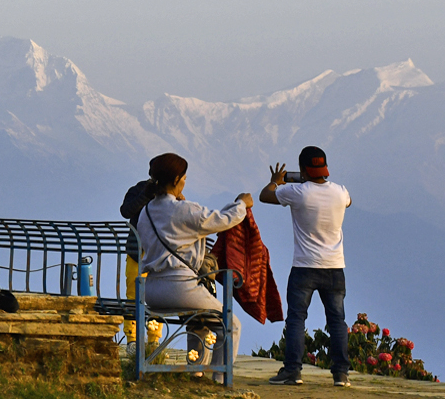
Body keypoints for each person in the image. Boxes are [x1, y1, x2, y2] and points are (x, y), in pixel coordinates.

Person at [137, 153, 250, 384]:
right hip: (180, 288)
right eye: (184, 179)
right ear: (177, 179)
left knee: (198, 321)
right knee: (231, 324)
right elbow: (221, 219)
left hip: (151, 291)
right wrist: (241, 204)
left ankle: (195, 369)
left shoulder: (145, 212)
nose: (185, 183)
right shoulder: (184, 209)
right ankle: (220, 377)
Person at [261, 146, 353, 387]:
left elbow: (265, 195)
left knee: (296, 319)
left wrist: (275, 181)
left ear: (302, 169)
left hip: (304, 267)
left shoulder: (296, 192)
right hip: (335, 267)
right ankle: (341, 374)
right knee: (337, 321)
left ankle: (293, 371)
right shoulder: (341, 192)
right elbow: (349, 202)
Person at [119, 179, 161, 350]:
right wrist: (146, 195)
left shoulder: (172, 195)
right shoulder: (138, 189)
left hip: (152, 253)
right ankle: (133, 339)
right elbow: (126, 211)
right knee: (134, 295)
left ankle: (153, 340)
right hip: (140, 253)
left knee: (156, 298)